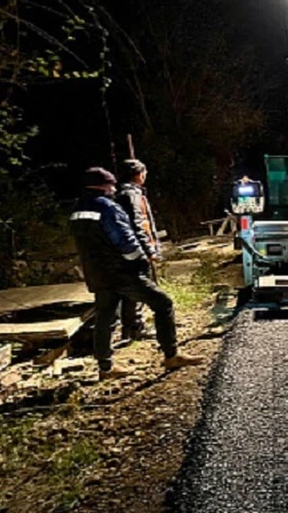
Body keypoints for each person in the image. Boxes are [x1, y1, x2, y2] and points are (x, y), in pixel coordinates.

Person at [70, 167, 203, 381]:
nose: (114, 189)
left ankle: (105, 368)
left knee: (105, 317)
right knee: (163, 303)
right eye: (111, 185)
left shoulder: (77, 209)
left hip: (97, 273)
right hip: (121, 272)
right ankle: (172, 355)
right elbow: (124, 240)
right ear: (102, 185)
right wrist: (140, 261)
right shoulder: (106, 207)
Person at [115, 159, 160, 342]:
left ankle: (131, 327)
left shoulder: (121, 193)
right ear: (138, 174)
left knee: (132, 291)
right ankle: (136, 327)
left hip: (128, 248)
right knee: (141, 289)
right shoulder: (131, 195)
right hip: (136, 250)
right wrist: (149, 250)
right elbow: (137, 224)